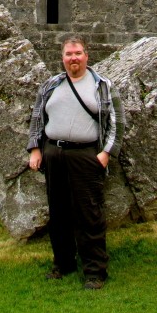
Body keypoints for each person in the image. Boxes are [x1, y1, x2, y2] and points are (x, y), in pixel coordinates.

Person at [27, 35, 124, 289]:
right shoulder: (51, 85)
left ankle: (94, 271)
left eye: (78, 53)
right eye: (69, 54)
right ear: (63, 58)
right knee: (58, 213)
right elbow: (37, 118)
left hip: (86, 156)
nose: (73, 58)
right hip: (54, 153)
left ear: (86, 56)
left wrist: (105, 154)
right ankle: (63, 264)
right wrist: (35, 150)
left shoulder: (102, 85)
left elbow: (117, 122)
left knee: (89, 214)